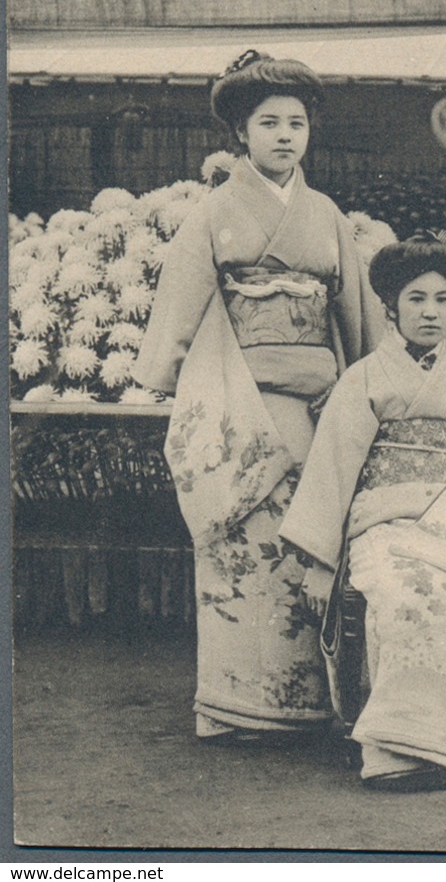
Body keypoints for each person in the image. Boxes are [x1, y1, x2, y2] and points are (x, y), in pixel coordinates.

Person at [133, 50, 386, 742]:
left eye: (296, 123)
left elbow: (355, 313)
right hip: (242, 399)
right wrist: (161, 377)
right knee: (243, 544)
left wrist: (370, 377)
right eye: (268, 122)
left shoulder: (326, 213)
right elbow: (182, 303)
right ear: (238, 134)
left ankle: (306, 702)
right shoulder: (214, 213)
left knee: (309, 545)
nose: (284, 135)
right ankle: (234, 701)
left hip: (319, 399)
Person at [279, 235, 446, 790]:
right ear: (391, 307)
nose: (430, 312)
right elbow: (334, 466)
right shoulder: (363, 379)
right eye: (416, 299)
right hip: (385, 524)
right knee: (403, 595)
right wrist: (321, 561)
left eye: (443, 300)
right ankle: (400, 744)